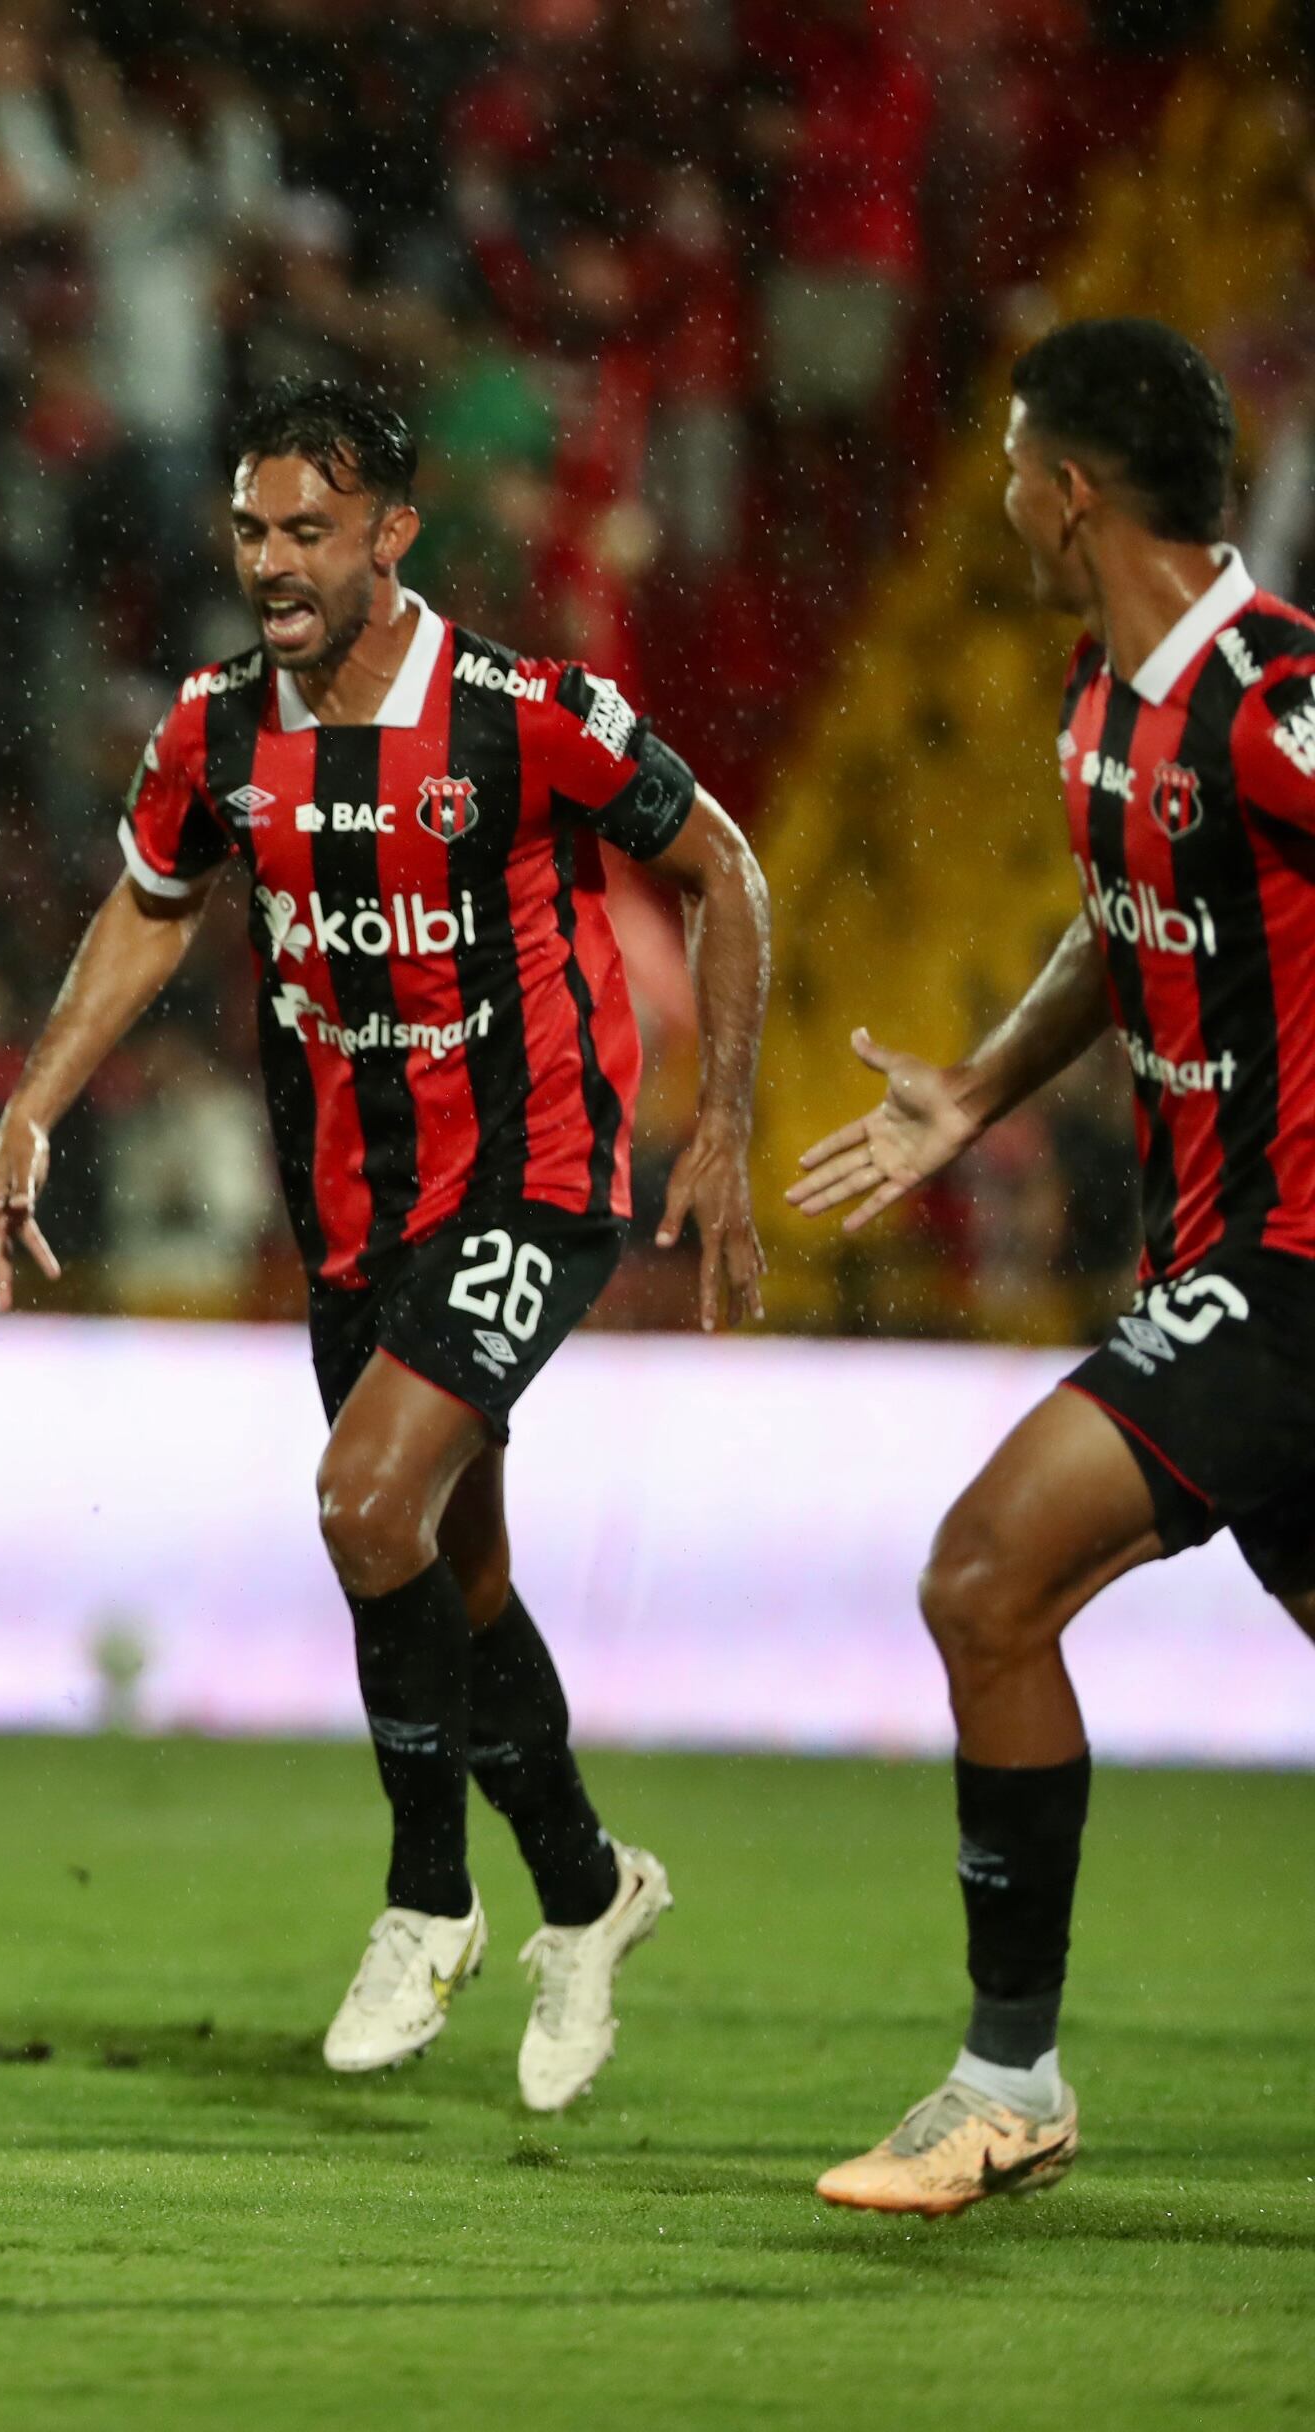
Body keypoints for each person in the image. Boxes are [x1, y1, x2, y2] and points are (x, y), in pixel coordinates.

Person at [0, 378, 772, 2114]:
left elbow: (724, 866)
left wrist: (722, 1122)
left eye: (308, 532)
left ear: (393, 534)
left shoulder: (519, 714)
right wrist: (32, 1105)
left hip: (538, 1180)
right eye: (252, 530)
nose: (272, 564)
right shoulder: (210, 736)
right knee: (448, 1571)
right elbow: (148, 905)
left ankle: (427, 1898)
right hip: (351, 1211)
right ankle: (587, 1888)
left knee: (357, 1502)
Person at [791, 318, 1313, 2215]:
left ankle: (1008, 2080)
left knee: (984, 1576)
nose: (999, 501)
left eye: (1012, 465)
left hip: (1296, 1276)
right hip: (1230, 1260)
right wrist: (977, 1094)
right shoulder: (1108, 708)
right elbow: (1124, 930)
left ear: (1068, 488)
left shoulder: (1270, 698)